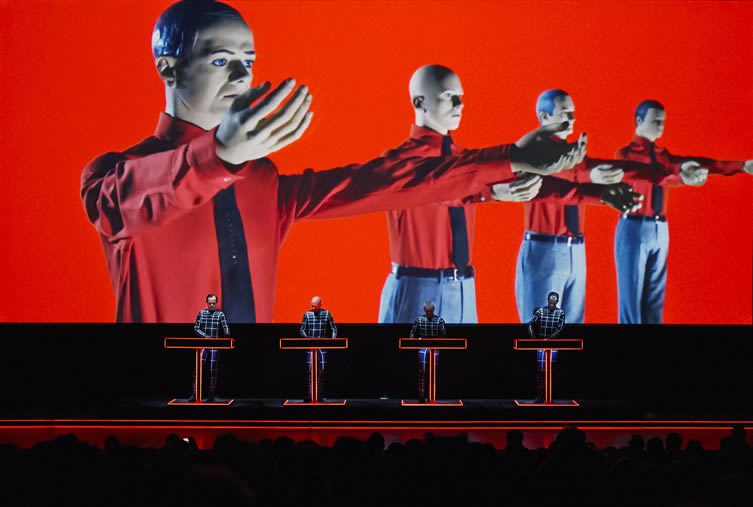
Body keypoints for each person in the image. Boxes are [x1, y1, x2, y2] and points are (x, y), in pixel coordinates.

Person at [81, 1, 584, 324]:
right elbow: (125, 201)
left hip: (255, 404)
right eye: (219, 59)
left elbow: (383, 184)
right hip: (158, 413)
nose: (239, 74)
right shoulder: (115, 174)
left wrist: (507, 162)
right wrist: (218, 155)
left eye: (248, 61)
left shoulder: (262, 179)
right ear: (168, 67)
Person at [378, 66, 642, 323]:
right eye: (449, 97)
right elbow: (442, 187)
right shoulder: (401, 163)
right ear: (420, 101)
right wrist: (490, 190)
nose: (460, 104)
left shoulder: (465, 159)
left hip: (463, 286)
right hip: (419, 286)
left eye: (461, 97)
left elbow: (529, 182)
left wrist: (600, 193)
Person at [614, 100, 753, 323]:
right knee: (631, 303)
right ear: (639, 121)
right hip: (634, 226)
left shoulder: (662, 155)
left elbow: (696, 163)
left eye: (663, 121)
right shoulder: (625, 154)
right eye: (655, 121)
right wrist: (680, 177)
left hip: (660, 228)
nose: (661, 126)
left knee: (655, 300)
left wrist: (739, 166)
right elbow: (649, 174)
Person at [515, 89, 645, 324]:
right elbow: (560, 180)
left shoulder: (573, 153)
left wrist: (605, 189)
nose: (572, 119)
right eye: (565, 113)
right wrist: (595, 181)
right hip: (546, 249)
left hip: (575, 249)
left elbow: (583, 175)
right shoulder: (532, 152)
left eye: (573, 113)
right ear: (544, 118)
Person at [190, 293, 230, 402]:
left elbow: (226, 327)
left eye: (213, 303)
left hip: (215, 345)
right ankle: (194, 393)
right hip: (204, 344)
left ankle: (211, 394)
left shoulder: (220, 314)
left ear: (216, 303)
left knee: (213, 370)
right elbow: (196, 328)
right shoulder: (202, 313)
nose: (211, 305)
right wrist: (205, 336)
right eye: (210, 303)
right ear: (207, 303)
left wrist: (226, 334)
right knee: (198, 369)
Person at [528, 291, 565, 402]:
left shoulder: (560, 313)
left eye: (554, 299)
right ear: (548, 300)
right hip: (541, 345)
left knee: (551, 370)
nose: (552, 302)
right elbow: (531, 324)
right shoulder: (541, 311)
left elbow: (560, 328)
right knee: (541, 370)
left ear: (557, 301)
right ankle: (540, 394)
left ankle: (549, 395)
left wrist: (549, 339)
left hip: (553, 346)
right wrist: (533, 338)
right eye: (551, 299)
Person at [299, 296, 337, 402]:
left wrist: (332, 341)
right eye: (312, 306)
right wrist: (307, 339)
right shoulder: (307, 314)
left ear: (320, 305)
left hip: (323, 345)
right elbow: (302, 330)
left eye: (315, 306)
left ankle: (319, 395)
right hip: (310, 345)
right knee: (310, 370)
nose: (313, 308)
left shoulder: (327, 314)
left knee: (322, 370)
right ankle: (310, 395)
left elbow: (334, 328)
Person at [409, 300, 447, 402]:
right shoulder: (419, 319)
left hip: (435, 346)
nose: (429, 313)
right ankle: (421, 394)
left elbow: (444, 334)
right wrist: (411, 342)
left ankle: (432, 394)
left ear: (433, 310)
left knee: (433, 370)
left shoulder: (439, 320)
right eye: (427, 311)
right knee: (422, 370)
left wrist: (442, 332)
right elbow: (412, 332)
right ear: (424, 310)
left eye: (430, 311)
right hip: (422, 345)